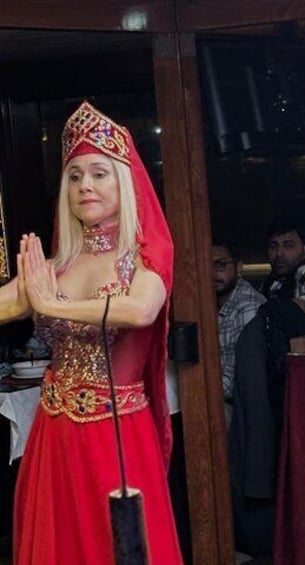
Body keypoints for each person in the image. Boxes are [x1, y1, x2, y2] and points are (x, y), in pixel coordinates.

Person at [0, 101, 182, 563]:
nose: (85, 185)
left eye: (100, 174)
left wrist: (49, 305)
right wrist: (21, 302)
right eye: (75, 176)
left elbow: (140, 310)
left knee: (117, 547)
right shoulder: (57, 264)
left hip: (117, 433)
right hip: (55, 433)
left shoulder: (146, 255)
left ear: (123, 181)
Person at [227, 216, 305, 559]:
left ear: (304, 249)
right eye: (273, 246)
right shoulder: (271, 284)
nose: (279, 253)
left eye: (288, 245)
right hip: (278, 391)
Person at [212, 242, 265, 419]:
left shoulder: (247, 307)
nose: (213, 273)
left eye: (220, 265)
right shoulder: (211, 302)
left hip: (243, 409)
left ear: (239, 267)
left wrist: (196, 389)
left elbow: (235, 381)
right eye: (207, 266)